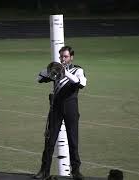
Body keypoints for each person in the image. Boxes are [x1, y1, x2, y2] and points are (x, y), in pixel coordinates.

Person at [34, 46, 87, 180]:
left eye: (66, 56)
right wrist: (50, 69)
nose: (63, 59)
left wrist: (64, 72)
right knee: (49, 142)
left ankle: (76, 172)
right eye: (61, 57)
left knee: (73, 141)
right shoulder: (55, 71)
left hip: (71, 109)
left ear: (71, 57)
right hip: (56, 109)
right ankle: (44, 171)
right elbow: (38, 78)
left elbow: (81, 83)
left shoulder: (78, 70)